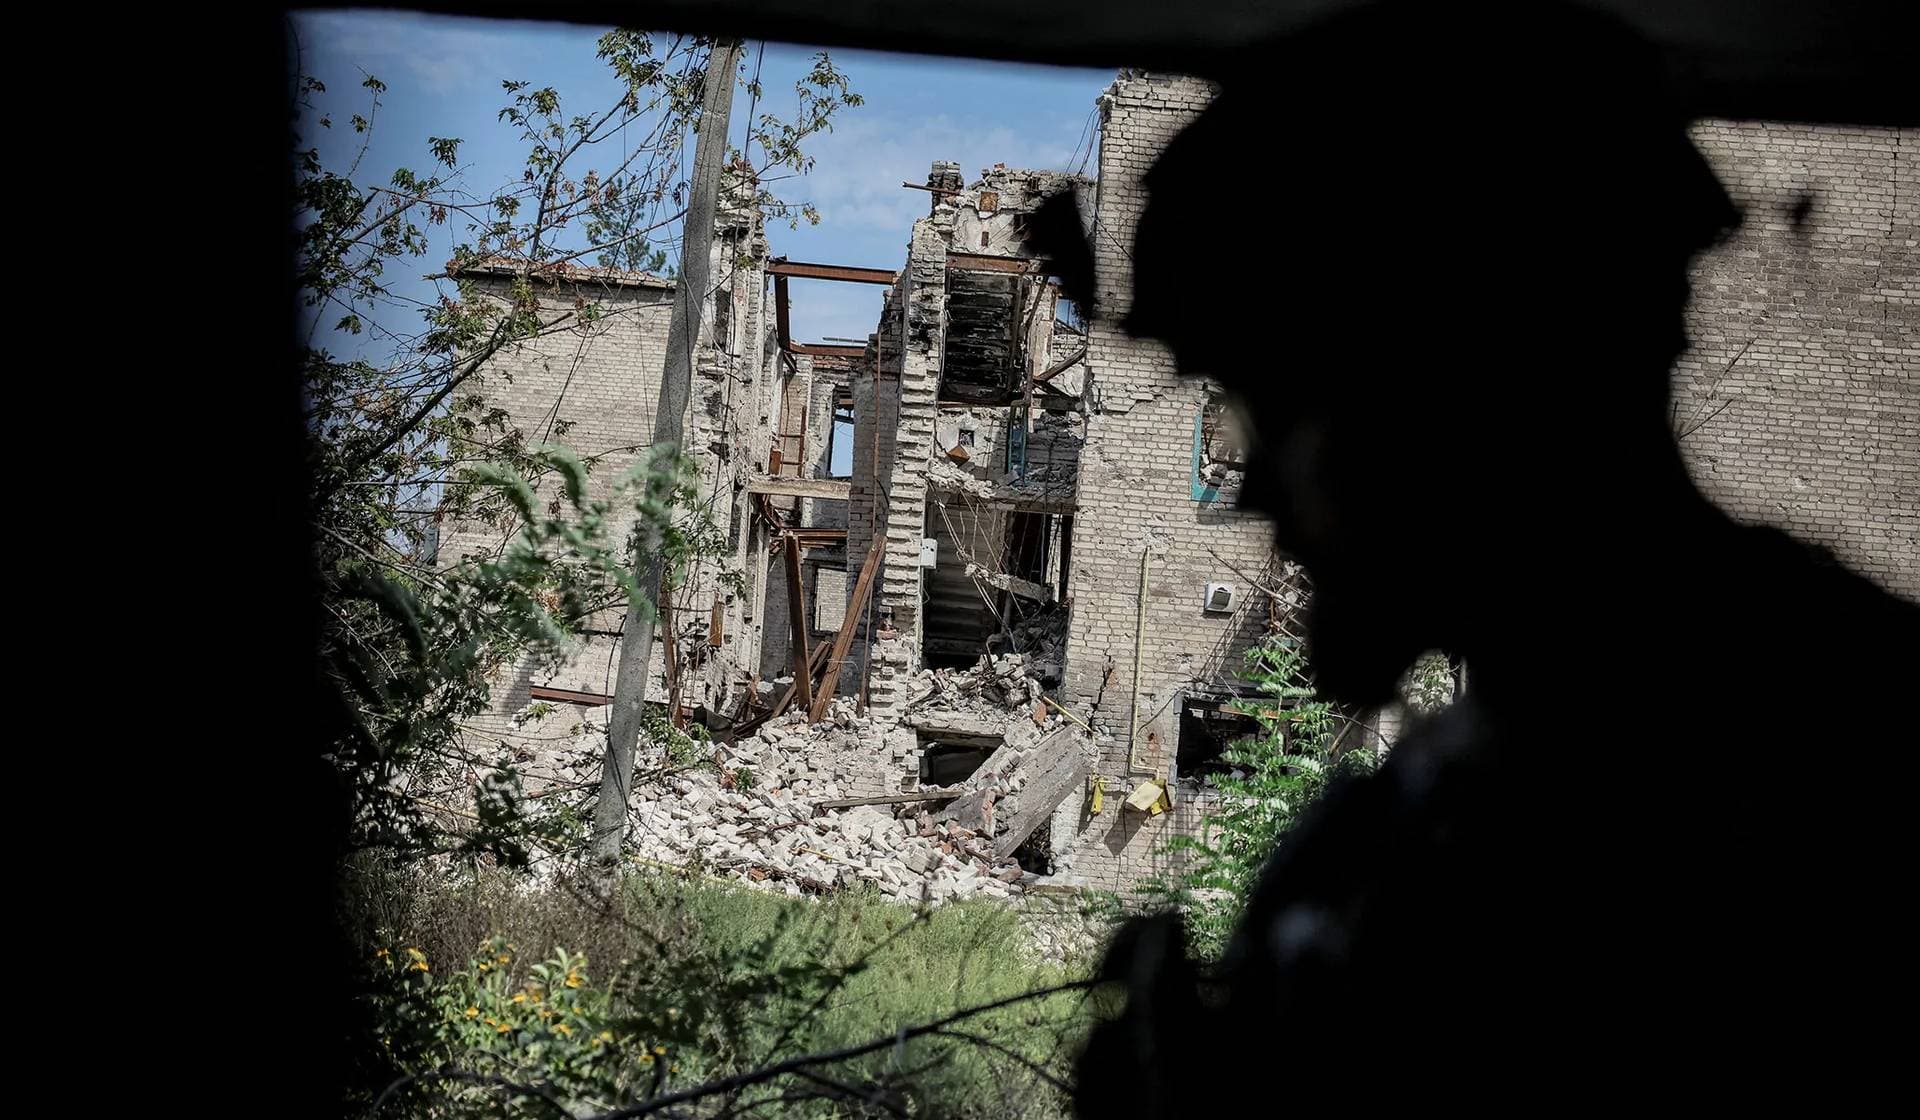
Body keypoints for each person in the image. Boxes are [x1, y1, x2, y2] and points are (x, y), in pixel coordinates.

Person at [1033, 2, 1920, 1112]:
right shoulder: (1412, 829)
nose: (1253, 490)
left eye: (1274, 409)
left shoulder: (1850, 784)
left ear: (1459, 390)